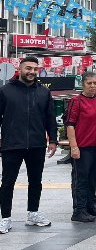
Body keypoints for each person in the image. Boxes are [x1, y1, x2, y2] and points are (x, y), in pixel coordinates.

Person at [0, 56, 58, 233]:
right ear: (20, 69)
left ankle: (33, 214)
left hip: (36, 144)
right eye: (28, 68)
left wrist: (53, 140)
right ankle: (5, 218)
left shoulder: (43, 92)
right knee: (7, 182)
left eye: (35, 69)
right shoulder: (5, 91)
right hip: (12, 144)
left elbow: (50, 118)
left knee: (36, 181)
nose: (32, 72)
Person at [66, 71, 96, 222]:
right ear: (83, 84)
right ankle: (79, 210)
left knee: (93, 178)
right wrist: (74, 147)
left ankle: (91, 205)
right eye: (89, 83)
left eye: (95, 83)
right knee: (81, 179)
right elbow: (70, 125)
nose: (92, 86)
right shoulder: (76, 101)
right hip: (83, 147)